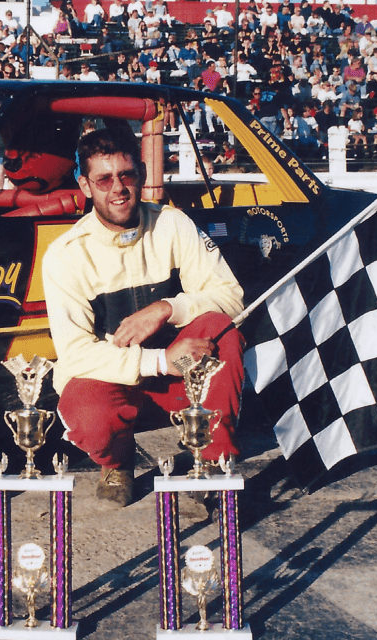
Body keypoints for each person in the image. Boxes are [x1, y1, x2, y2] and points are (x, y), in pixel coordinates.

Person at [41, 127, 245, 507]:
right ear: (85, 186)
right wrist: (158, 360)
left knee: (220, 330)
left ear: (143, 175)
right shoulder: (64, 255)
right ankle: (117, 463)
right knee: (87, 411)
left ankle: (214, 458)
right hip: (116, 384)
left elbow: (231, 297)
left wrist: (168, 308)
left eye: (127, 175)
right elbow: (74, 355)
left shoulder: (173, 224)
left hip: (178, 377)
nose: (118, 188)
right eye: (104, 179)